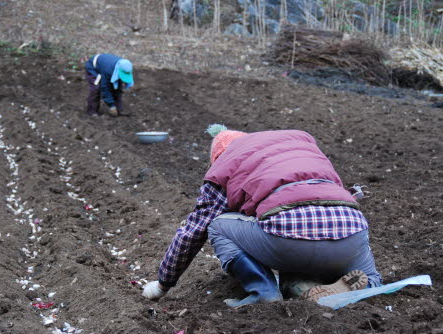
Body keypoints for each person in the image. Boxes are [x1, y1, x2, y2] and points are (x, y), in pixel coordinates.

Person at [143, 124, 382, 307]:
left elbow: (194, 230)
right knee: (369, 276)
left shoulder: (224, 166)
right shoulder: (299, 148)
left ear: (217, 158)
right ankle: (343, 287)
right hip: (351, 231)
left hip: (288, 238)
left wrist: (163, 284)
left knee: (217, 225)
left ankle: (264, 292)